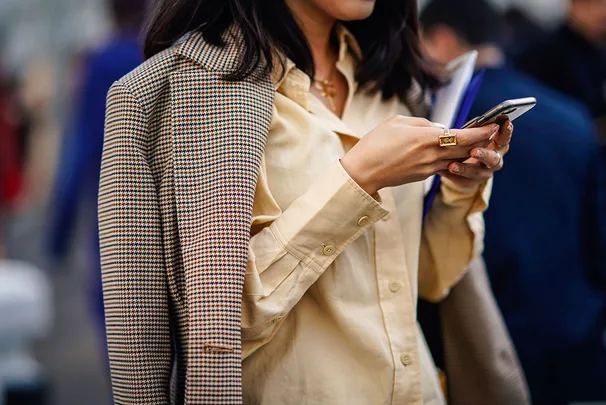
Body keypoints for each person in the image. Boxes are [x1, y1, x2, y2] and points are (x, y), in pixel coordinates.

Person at [99, 0, 515, 403]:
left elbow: (431, 279)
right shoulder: (165, 96)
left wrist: (460, 187)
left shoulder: (398, 82)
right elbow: (209, 334)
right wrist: (358, 180)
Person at [421, 0, 606, 404]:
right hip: (572, 330)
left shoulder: (438, 124)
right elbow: (599, 239)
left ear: (441, 38)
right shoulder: (572, 115)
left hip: (480, 333)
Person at [48, 0, 144, 350]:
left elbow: (81, 147)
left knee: (120, 331)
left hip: (113, 208)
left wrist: (60, 231)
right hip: (172, 209)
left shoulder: (100, 62)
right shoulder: (171, 58)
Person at [515, 0, 606, 142]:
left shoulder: (597, 50)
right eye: (593, 4)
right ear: (574, 6)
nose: (601, 11)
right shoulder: (543, 52)